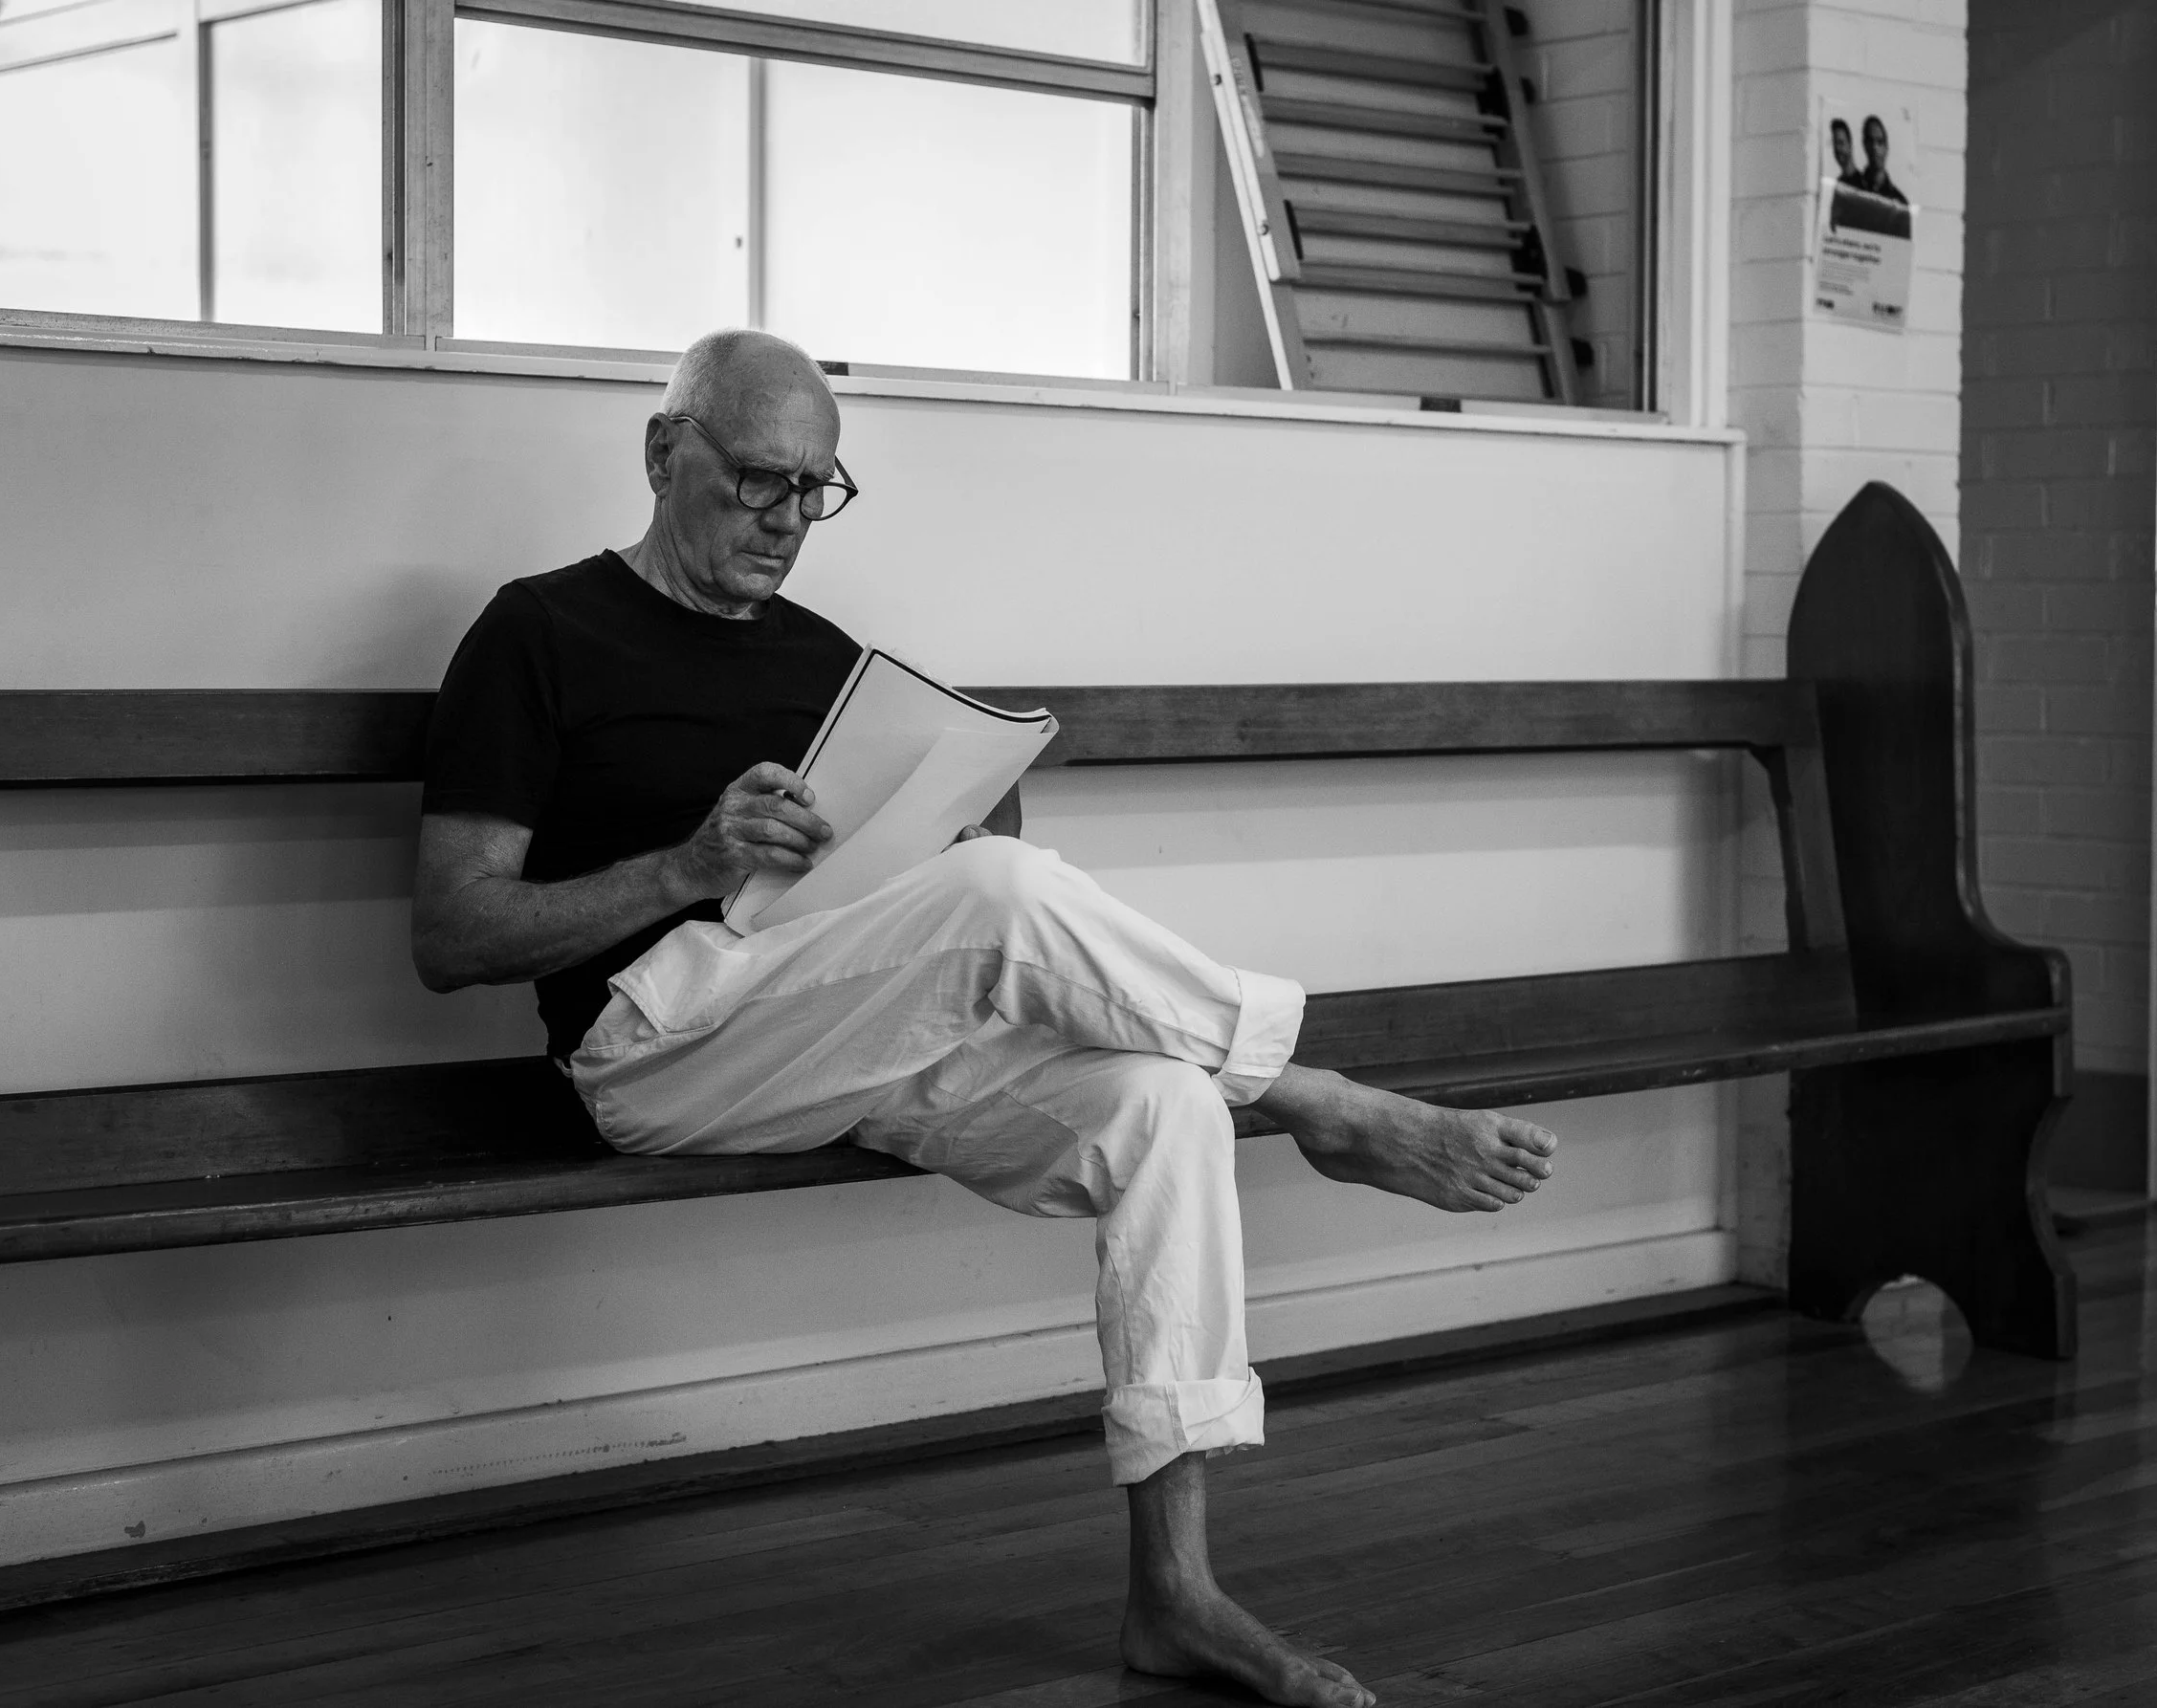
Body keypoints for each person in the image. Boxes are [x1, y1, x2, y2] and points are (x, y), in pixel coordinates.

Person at [411, 329, 1560, 1708]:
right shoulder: (537, 633)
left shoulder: (832, 660)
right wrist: (686, 867)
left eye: (817, 489)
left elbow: (934, 871)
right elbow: (451, 934)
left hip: (852, 1039)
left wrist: (963, 813)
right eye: (760, 479)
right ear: (666, 453)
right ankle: (1317, 1094)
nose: (787, 519)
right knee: (1005, 895)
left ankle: (1175, 1593)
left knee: (1166, 1107)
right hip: (655, 1055)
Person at [1858, 114, 1905, 204]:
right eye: (1870, 141)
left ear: (1886, 147)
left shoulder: (1899, 202)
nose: (1875, 147)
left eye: (1880, 142)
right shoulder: (1852, 191)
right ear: (1864, 145)